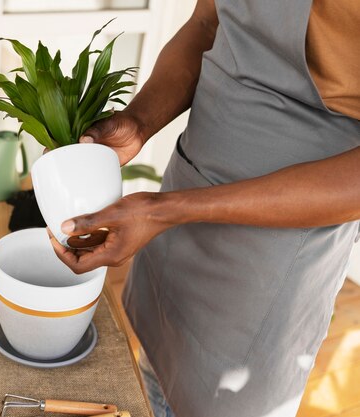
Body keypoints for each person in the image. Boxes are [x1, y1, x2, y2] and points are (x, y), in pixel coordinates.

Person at [48, 1, 360, 416]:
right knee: (157, 370)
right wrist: (140, 122)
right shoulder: (166, 208)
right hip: (185, 191)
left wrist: (165, 211)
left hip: (276, 247)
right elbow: (206, 23)